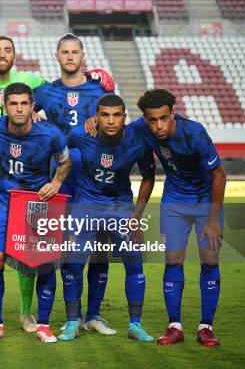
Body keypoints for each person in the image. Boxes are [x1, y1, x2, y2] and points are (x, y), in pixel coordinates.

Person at [0, 35, 114, 333]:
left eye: (7, 49)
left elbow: (99, 103)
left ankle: (71, 314)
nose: (2, 54)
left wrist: (100, 75)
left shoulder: (39, 84)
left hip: (54, 184)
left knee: (60, 250)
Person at [0, 82, 72, 343]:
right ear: (5, 107)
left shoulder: (50, 134)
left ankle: (44, 325)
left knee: (43, 265)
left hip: (37, 204)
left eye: (24, 103)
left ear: (32, 106)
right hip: (4, 202)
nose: (19, 108)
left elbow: (65, 161)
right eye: (13, 103)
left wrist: (56, 182)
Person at [33, 33, 114, 334]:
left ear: (83, 56)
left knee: (100, 248)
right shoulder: (45, 92)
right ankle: (72, 317)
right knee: (67, 250)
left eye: (74, 52)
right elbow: (21, 111)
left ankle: (93, 315)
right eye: (64, 52)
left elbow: (116, 122)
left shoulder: (100, 89)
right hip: (60, 180)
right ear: (57, 57)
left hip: (95, 180)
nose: (69, 56)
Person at [133, 89, 226, 347]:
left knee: (209, 259)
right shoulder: (141, 128)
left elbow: (220, 175)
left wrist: (213, 220)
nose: (159, 126)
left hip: (205, 202)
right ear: (145, 119)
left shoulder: (194, 133)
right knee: (173, 261)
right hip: (174, 202)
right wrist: (94, 121)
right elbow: (116, 129)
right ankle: (175, 326)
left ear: (173, 113)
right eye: (152, 120)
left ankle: (206, 326)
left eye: (164, 118)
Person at [61, 94, 155, 342]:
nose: (111, 121)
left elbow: (148, 177)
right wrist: (58, 182)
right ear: (96, 117)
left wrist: (136, 215)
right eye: (105, 115)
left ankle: (135, 324)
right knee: (73, 264)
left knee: (134, 264)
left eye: (116, 115)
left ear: (124, 117)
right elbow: (58, 151)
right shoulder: (80, 134)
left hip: (120, 207)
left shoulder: (138, 142)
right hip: (86, 205)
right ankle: (73, 320)